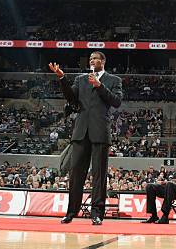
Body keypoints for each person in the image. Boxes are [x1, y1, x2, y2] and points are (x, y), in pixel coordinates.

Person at [48, 51, 123, 226]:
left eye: (95, 58)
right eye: (90, 59)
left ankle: (97, 214)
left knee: (99, 175)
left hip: (100, 132)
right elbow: (71, 98)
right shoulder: (80, 79)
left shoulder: (114, 80)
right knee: (75, 174)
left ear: (103, 61)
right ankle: (71, 212)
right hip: (81, 131)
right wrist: (62, 79)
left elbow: (117, 101)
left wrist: (99, 85)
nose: (92, 61)